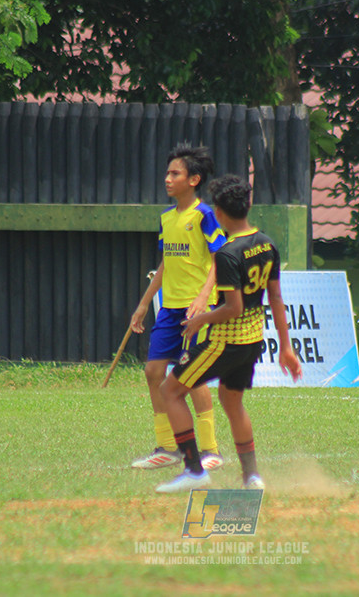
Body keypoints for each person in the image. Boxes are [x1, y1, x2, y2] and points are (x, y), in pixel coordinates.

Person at [155, 174, 302, 493]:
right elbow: (275, 298)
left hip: (225, 341)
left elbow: (232, 308)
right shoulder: (266, 243)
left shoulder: (227, 254)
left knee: (170, 391)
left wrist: (200, 320)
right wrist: (286, 347)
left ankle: (194, 472)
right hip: (253, 340)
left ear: (219, 212)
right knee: (231, 401)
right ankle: (252, 477)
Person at [128, 144, 227, 471]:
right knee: (154, 372)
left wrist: (203, 297)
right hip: (170, 310)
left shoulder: (205, 215)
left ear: (194, 179)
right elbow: (165, 263)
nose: (167, 179)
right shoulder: (167, 219)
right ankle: (167, 448)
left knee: (191, 374)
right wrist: (144, 303)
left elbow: (220, 260)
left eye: (175, 174)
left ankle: (211, 449)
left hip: (197, 311)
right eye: (167, 173)